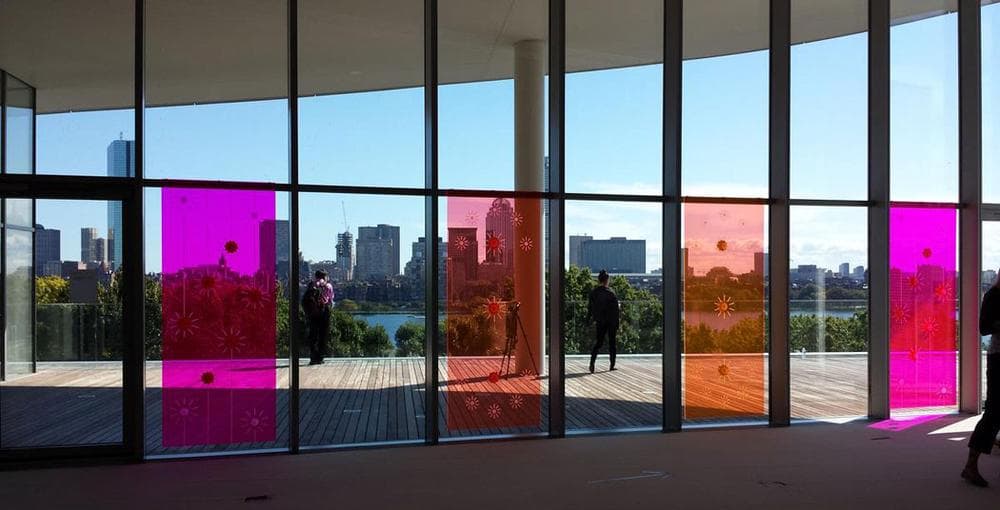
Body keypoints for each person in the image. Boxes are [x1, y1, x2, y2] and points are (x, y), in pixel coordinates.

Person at [962, 271, 1000, 487]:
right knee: (994, 413)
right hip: (999, 359)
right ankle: (970, 465)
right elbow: (984, 328)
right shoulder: (993, 295)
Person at [587, 269, 620, 374]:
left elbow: (590, 308)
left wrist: (589, 319)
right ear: (607, 280)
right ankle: (612, 365)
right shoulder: (611, 293)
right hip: (611, 321)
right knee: (612, 343)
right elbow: (616, 309)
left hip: (600, 321)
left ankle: (592, 363)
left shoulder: (594, 293)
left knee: (599, 342)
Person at [303, 270, 334, 366]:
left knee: (313, 334)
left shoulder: (311, 285)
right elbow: (331, 299)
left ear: (315, 276)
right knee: (323, 335)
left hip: (313, 313)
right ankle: (320, 357)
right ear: (325, 277)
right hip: (324, 311)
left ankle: (313, 357)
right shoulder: (327, 286)